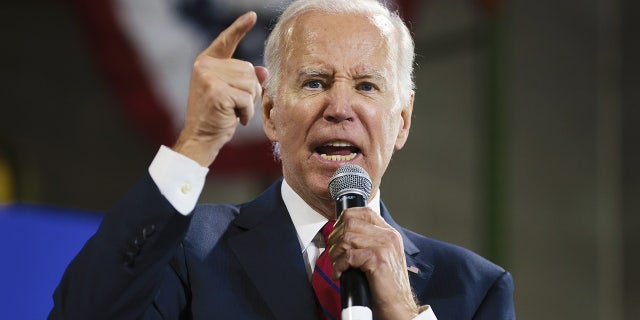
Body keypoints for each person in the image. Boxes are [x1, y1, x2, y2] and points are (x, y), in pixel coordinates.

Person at [50, 0, 515, 319]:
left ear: (404, 120)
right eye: (314, 82)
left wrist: (404, 310)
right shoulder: (188, 249)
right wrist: (195, 142)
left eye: (367, 86)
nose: (339, 107)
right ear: (270, 113)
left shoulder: (473, 290)